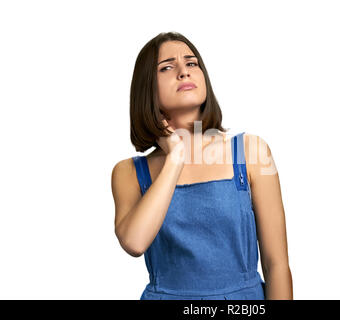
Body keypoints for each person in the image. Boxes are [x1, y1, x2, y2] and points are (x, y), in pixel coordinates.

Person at [111, 32, 293, 300]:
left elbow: (277, 266)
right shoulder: (127, 172)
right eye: (167, 67)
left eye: (192, 63)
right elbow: (135, 242)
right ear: (146, 87)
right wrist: (175, 157)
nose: (184, 72)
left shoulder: (252, 152)